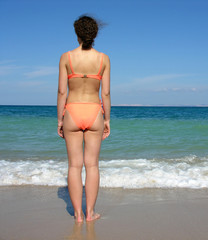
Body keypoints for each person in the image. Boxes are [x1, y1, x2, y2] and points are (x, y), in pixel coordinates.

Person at [57, 15, 110, 222]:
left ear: (76, 34)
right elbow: (105, 94)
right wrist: (107, 119)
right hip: (94, 111)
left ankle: (77, 215)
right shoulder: (103, 59)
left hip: (72, 111)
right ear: (95, 35)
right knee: (93, 165)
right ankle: (90, 213)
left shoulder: (66, 57)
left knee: (74, 166)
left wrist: (60, 120)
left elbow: (62, 92)